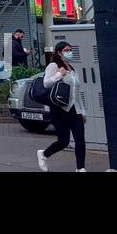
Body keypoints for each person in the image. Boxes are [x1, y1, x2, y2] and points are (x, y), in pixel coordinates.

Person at [38, 40, 87, 172]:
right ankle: (43, 154)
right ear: (59, 52)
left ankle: (80, 168)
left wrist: (82, 111)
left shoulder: (72, 67)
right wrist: (59, 74)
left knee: (80, 139)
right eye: (66, 50)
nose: (69, 52)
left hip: (75, 109)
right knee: (64, 141)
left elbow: (77, 92)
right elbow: (46, 84)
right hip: (60, 110)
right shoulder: (53, 65)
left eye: (70, 50)